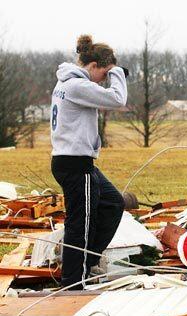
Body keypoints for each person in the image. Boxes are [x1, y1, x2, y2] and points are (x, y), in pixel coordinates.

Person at [50, 35, 128, 289]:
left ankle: (85, 261)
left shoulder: (70, 84)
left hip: (77, 161)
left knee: (113, 203)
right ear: (93, 65)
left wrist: (111, 72)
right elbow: (118, 99)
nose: (104, 79)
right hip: (75, 164)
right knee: (80, 225)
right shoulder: (76, 86)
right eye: (104, 73)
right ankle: (72, 283)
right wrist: (117, 72)